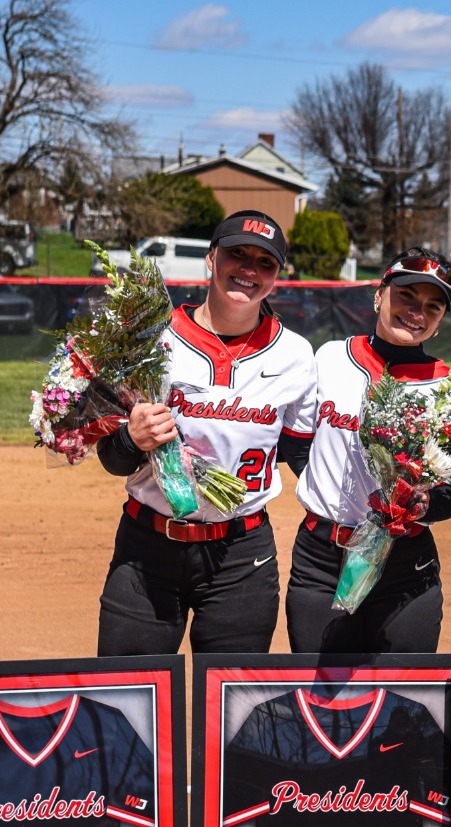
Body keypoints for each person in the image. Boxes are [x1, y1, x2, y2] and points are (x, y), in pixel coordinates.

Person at [95, 210, 317, 655]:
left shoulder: (295, 355)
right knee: (131, 700)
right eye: (237, 254)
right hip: (147, 550)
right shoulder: (151, 339)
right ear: (211, 258)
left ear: (277, 275)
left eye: (265, 262)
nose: (249, 270)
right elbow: (112, 458)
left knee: (231, 707)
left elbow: (304, 454)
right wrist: (129, 439)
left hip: (241, 557)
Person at [286, 248, 451, 653]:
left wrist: (421, 504)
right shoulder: (331, 358)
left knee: (404, 703)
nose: (416, 311)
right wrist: (327, 491)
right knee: (321, 701)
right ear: (380, 295)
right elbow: (298, 446)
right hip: (321, 559)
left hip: (406, 565)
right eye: (406, 295)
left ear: (441, 321)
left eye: (433, 305)